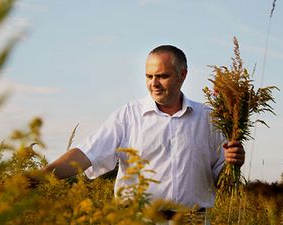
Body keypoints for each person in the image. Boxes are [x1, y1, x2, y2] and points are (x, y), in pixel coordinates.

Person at [40, 45, 245, 212]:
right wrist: (39, 177)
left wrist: (234, 163)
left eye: (162, 76)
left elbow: (223, 181)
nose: (154, 83)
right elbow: (84, 155)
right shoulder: (127, 116)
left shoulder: (209, 119)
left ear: (182, 75)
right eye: (149, 76)